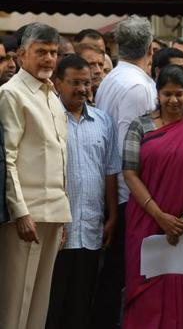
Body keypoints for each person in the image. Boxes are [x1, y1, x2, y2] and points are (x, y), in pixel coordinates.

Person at [122, 65, 183, 328]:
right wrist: (160, 217)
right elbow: (130, 173)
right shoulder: (139, 126)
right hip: (146, 220)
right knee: (146, 288)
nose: (173, 100)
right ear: (157, 93)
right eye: (167, 94)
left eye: (179, 94)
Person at [0, 22, 71, 329]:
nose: (49, 59)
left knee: (40, 304)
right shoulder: (11, 94)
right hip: (25, 215)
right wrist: (21, 211)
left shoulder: (52, 95)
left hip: (53, 211)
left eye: (53, 52)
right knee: (16, 303)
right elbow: (8, 159)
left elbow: (59, 158)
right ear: (21, 54)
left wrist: (62, 214)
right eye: (41, 52)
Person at [46, 55, 120, 329]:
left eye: (86, 83)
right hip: (56, 228)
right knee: (52, 304)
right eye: (74, 83)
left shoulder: (104, 121)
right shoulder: (48, 119)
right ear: (57, 83)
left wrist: (112, 215)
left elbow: (110, 169)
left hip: (91, 227)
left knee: (82, 304)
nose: (82, 89)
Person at [92, 15, 156, 329]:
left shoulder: (113, 79)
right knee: (122, 271)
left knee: (116, 271)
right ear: (151, 49)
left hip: (118, 188)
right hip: (128, 193)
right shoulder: (136, 86)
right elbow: (131, 145)